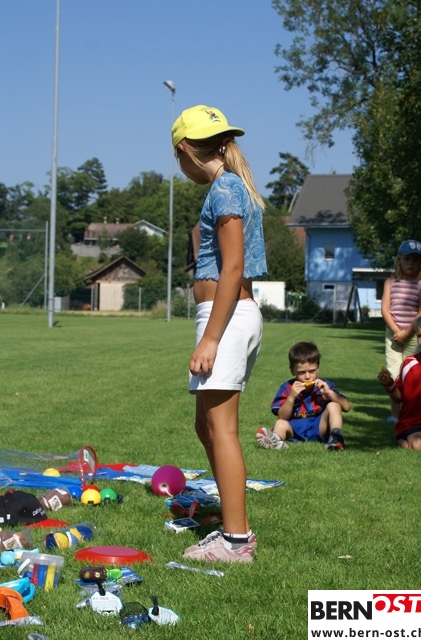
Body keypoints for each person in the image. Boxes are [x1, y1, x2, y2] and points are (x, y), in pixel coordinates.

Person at [171, 105, 267, 563]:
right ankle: (230, 516)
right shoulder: (227, 187)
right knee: (205, 425)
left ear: (184, 150)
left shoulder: (226, 188)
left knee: (222, 428)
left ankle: (236, 541)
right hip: (225, 316)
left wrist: (210, 338)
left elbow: (233, 268)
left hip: (226, 318)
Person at [256, 341, 350, 450]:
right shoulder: (287, 388)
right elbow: (282, 417)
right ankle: (275, 440)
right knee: (280, 423)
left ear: (318, 369)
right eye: (301, 372)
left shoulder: (324, 386)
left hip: (319, 427)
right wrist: (291, 397)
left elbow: (346, 407)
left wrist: (329, 392)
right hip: (295, 428)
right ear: (292, 371)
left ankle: (336, 438)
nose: (307, 376)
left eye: (312, 371)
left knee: (334, 405)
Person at [381, 239, 421, 422]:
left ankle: (411, 412)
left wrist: (407, 333)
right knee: (394, 374)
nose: (411, 263)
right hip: (393, 335)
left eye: (415, 260)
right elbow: (385, 309)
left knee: (411, 374)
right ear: (399, 260)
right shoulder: (390, 282)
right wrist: (396, 331)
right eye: (407, 259)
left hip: (415, 335)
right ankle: (395, 415)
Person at [378, 312, 421, 450]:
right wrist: (389, 384)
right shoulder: (409, 364)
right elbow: (399, 397)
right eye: (419, 336)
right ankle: (401, 439)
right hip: (414, 423)